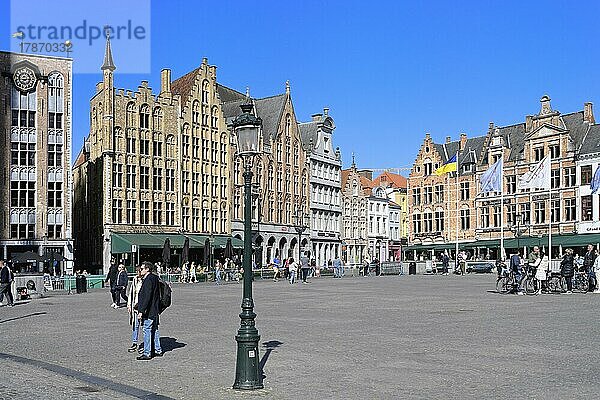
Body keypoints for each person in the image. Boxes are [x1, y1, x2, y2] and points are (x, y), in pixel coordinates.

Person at [135, 261, 163, 360]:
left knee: (147, 329)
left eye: (142, 269)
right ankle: (158, 349)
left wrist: (141, 311)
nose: (140, 270)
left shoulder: (148, 280)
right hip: (155, 309)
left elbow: (146, 296)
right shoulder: (155, 278)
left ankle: (147, 352)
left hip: (149, 310)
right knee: (154, 329)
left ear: (147, 269)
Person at [127, 266, 144, 353]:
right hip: (135, 305)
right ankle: (134, 342)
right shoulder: (135, 279)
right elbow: (131, 292)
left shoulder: (145, 280)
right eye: (136, 271)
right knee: (135, 325)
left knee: (145, 326)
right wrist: (129, 304)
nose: (138, 273)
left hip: (143, 306)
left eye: (139, 271)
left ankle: (146, 345)